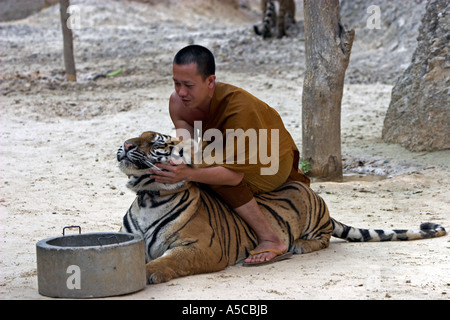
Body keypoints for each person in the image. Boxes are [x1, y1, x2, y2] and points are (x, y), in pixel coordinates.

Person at [149, 44, 310, 266]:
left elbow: (232, 177)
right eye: (176, 83)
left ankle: (270, 238)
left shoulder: (239, 107)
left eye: (188, 85)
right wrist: (176, 164)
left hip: (270, 162)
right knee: (189, 169)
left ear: (210, 82)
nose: (181, 92)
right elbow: (186, 147)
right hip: (223, 148)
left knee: (208, 176)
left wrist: (189, 172)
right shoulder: (177, 102)